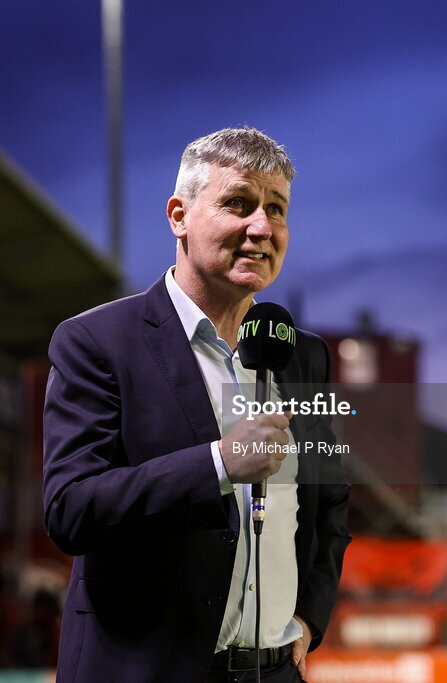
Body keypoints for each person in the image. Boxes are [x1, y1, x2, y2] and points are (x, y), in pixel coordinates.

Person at [43, 127, 351, 682]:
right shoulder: (97, 342)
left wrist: (311, 616)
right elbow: (70, 508)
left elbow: (329, 504)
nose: (261, 227)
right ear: (178, 216)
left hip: (274, 671)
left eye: (276, 209)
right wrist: (218, 465)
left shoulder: (304, 358)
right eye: (238, 203)